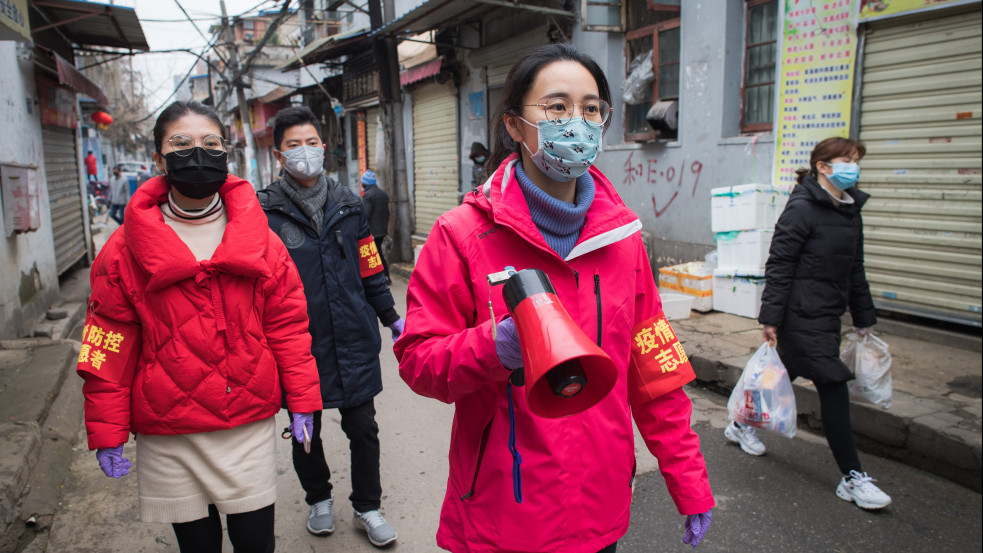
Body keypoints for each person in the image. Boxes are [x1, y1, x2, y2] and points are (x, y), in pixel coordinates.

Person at [394, 44, 714, 553]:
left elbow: (657, 373)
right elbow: (418, 360)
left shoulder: (624, 241)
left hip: (600, 507)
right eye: (557, 107)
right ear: (516, 126)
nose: (577, 122)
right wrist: (495, 348)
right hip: (503, 513)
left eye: (591, 109)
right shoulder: (461, 235)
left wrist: (689, 481)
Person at [75, 100, 322, 553]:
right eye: (181, 144)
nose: (197, 154)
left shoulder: (259, 238)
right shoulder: (123, 250)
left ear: (226, 153)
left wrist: (304, 398)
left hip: (245, 425)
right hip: (169, 434)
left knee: (255, 546)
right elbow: (107, 344)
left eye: (211, 144)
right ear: (158, 158)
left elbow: (288, 325)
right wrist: (106, 429)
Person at [258, 106, 404, 548]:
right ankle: (318, 498)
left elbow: (371, 268)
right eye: (293, 145)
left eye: (311, 143)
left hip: (354, 338)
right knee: (306, 431)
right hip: (298, 345)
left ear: (324, 147)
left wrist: (391, 317)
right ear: (279, 156)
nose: (305, 152)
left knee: (363, 428)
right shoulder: (264, 212)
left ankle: (367, 506)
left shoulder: (348, 204)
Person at [737, 136, 892, 510]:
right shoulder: (802, 208)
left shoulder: (850, 210)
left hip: (828, 314)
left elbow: (855, 268)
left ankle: (742, 423)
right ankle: (852, 477)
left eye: (856, 160)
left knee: (782, 373)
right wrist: (771, 318)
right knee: (833, 383)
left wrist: (863, 316)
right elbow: (780, 265)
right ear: (823, 166)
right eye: (846, 160)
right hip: (800, 313)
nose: (853, 167)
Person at [360, 169, 392, 284]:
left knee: (375, 255)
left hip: (372, 231)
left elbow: (365, 215)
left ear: (365, 183)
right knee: (377, 254)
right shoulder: (382, 194)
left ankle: (383, 277)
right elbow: (387, 214)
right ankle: (384, 276)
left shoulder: (368, 195)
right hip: (382, 230)